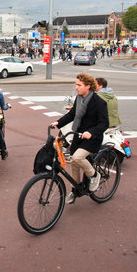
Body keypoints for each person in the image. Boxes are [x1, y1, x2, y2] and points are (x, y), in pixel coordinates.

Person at [50, 73, 109, 204]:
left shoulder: (99, 102)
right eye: (76, 84)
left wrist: (91, 132)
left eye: (79, 85)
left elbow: (104, 123)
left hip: (92, 138)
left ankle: (94, 175)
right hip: (78, 135)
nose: (76, 87)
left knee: (77, 157)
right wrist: (58, 123)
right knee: (74, 163)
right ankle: (75, 190)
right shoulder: (79, 99)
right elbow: (72, 114)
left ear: (88, 86)